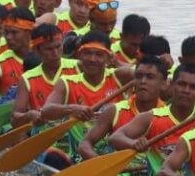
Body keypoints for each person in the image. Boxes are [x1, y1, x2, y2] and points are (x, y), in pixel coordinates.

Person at [109, 62, 195, 176]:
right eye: (181, 84)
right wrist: (133, 144)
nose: (186, 90)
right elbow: (115, 138)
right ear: (171, 85)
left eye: (193, 87)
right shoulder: (151, 117)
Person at [77, 56, 167, 176]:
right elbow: (84, 144)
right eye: (138, 76)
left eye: (150, 77)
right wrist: (103, 166)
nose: (143, 81)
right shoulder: (115, 110)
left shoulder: (168, 115)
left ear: (164, 84)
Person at [41, 31, 133, 168]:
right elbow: (46, 111)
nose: (92, 59)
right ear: (79, 55)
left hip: (111, 150)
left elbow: (152, 75)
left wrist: (117, 62)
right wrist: (72, 108)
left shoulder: (119, 76)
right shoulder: (67, 82)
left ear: (108, 58)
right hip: (79, 152)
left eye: (99, 55)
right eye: (87, 53)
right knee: (54, 157)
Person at [12, 24, 80, 126]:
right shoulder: (27, 79)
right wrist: (28, 116)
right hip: (44, 134)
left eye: (58, 47)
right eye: (49, 49)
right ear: (36, 50)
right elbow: (15, 119)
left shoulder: (78, 67)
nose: (56, 53)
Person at [0, 7, 35, 107]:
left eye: (14, 32)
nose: (8, 37)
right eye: (6, 32)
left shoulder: (46, 57)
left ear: (29, 32)